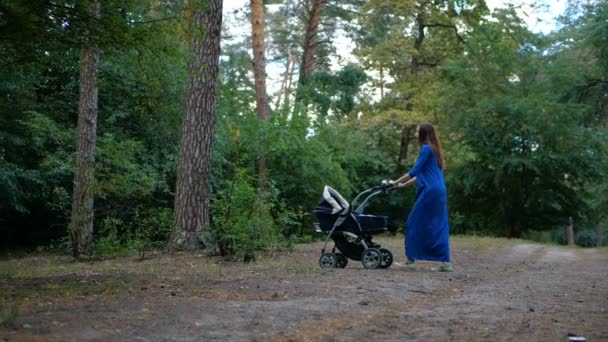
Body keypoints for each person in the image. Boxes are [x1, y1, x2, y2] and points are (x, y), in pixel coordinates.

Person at [390, 123, 453, 272]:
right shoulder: (435, 150)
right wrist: (404, 186)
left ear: (423, 133)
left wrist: (395, 182)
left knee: (413, 222)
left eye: (418, 130)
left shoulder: (425, 149)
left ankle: (410, 260)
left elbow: (415, 171)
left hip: (430, 191)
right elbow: (422, 175)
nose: (416, 132)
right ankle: (446, 263)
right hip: (439, 191)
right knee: (438, 225)